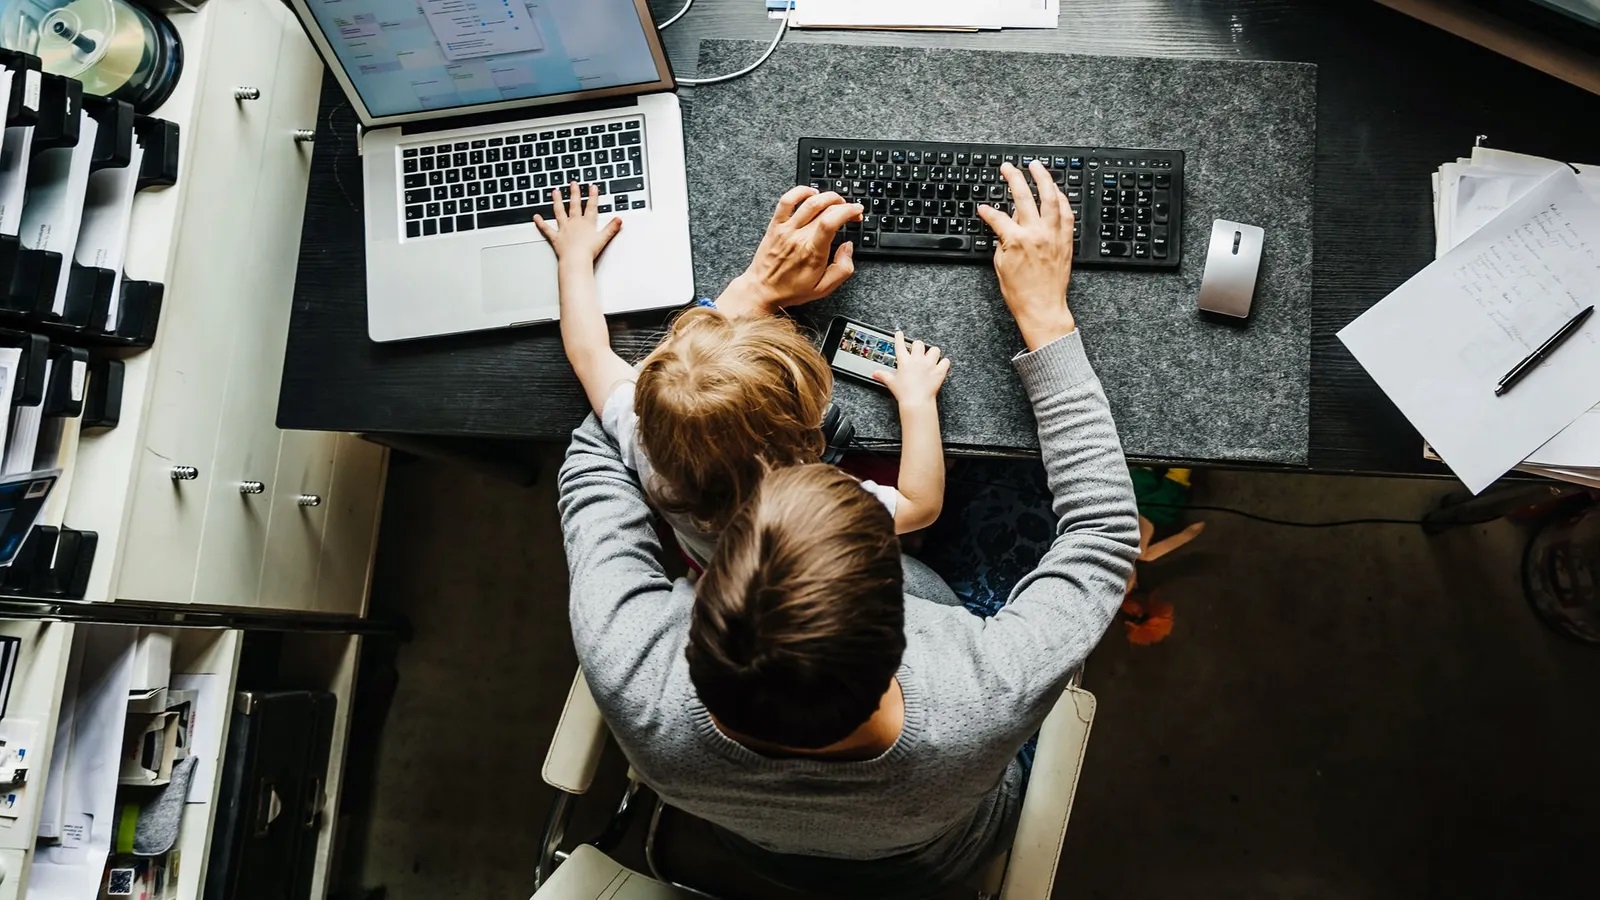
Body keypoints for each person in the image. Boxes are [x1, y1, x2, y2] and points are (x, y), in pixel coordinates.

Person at [557, 161, 1140, 897]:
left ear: (694, 612)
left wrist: (740, 307)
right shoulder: (980, 694)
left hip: (756, 852)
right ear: (904, 622)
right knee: (1013, 486)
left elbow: (599, 450)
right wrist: (1046, 319)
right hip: (937, 858)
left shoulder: (627, 665)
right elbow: (1105, 537)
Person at [535, 182, 950, 567]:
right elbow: (920, 505)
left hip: (715, 560)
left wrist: (573, 259)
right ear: (808, 432)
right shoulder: (815, 505)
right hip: (803, 560)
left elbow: (588, 351)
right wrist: (917, 402)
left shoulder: (640, 429)